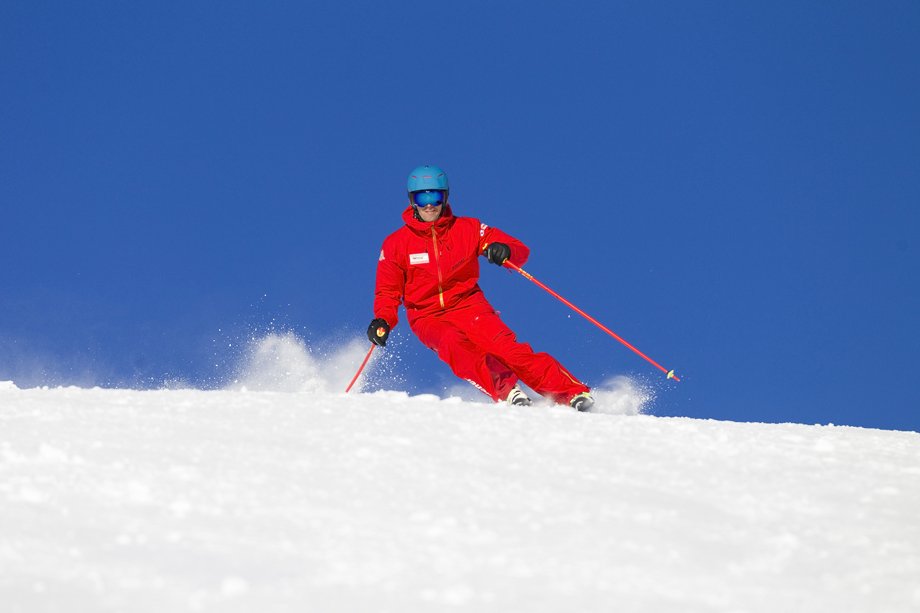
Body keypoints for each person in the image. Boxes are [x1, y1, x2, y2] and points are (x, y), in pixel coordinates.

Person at [367, 165, 595, 411]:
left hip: (469, 305)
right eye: (422, 198)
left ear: (446, 197)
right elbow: (387, 291)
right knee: (453, 343)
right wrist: (383, 320)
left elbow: (517, 248)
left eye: (436, 197)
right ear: (412, 201)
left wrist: (504, 250)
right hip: (427, 315)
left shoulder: (468, 228)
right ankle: (506, 390)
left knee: (508, 350)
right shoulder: (396, 244)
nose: (429, 205)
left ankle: (572, 393)